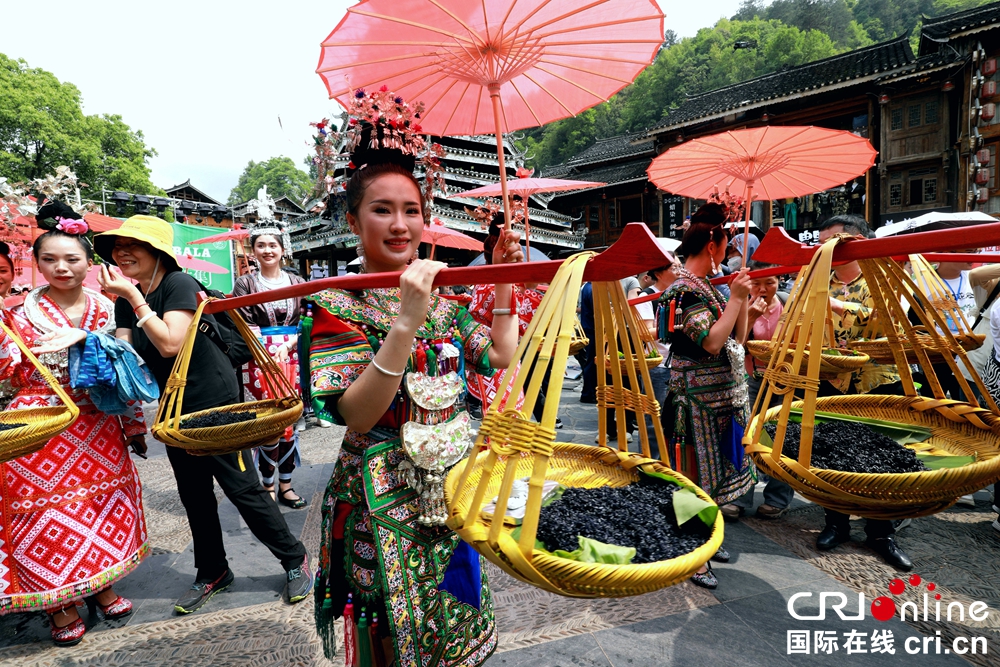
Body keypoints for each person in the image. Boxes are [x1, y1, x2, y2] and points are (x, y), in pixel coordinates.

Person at [307, 151, 522, 663]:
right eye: (382, 210)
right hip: (378, 499)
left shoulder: (445, 303)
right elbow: (356, 415)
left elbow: (497, 354)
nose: (401, 225)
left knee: (454, 604)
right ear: (353, 222)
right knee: (388, 626)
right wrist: (405, 323)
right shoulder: (336, 305)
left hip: (450, 486)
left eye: (412, 210)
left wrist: (503, 279)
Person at [93, 215, 312, 615]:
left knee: (241, 486)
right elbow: (128, 355)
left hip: (213, 397)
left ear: (157, 252)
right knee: (193, 493)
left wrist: (134, 299)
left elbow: (170, 344)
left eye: (132, 245)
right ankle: (213, 570)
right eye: (117, 247)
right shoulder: (128, 299)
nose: (122, 253)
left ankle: (294, 559)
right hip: (173, 405)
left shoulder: (179, 284)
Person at [0, 202, 148, 646]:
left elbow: (131, 369)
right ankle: (57, 602)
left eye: (72, 259)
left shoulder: (110, 309)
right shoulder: (14, 313)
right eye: (49, 259)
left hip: (98, 422)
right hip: (39, 424)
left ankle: (100, 584)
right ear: (36, 263)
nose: (61, 267)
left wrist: (134, 424)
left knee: (100, 509)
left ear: (89, 263)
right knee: (44, 516)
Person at [659, 202, 755, 589]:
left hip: (720, 398)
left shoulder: (707, 288)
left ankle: (708, 540)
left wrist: (742, 299)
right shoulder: (682, 290)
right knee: (694, 477)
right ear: (713, 242)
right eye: (727, 241)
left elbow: (739, 338)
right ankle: (695, 556)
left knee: (713, 478)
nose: (730, 249)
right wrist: (734, 298)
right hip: (694, 402)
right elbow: (714, 343)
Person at [814, 214, 913, 570]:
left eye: (836, 242)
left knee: (881, 460)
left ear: (860, 242)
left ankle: (881, 531)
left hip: (877, 381)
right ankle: (836, 523)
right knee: (831, 454)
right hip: (830, 379)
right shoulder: (817, 281)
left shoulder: (883, 277)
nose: (828, 250)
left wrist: (842, 307)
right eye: (822, 243)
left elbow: (892, 320)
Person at [233, 227, 308, 509]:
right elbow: (243, 322)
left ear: (282, 249)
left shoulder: (296, 280)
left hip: (291, 356)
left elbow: (306, 319)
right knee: (267, 422)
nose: (267, 250)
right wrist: (263, 350)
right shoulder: (245, 284)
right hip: (258, 357)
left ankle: (286, 484)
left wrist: (291, 345)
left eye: (272, 245)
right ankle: (266, 484)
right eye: (261, 245)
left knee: (290, 419)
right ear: (253, 251)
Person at [466, 219, 561, 427]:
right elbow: (524, 320)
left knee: (509, 421)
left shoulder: (490, 284)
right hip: (493, 359)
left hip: (509, 356)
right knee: (500, 426)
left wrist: (525, 282)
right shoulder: (490, 287)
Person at [733, 261, 794, 519]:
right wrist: (751, 317)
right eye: (756, 283)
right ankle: (739, 495)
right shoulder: (739, 306)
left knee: (784, 436)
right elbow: (735, 343)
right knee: (747, 435)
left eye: (769, 282)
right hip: (752, 378)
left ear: (778, 281)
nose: (763, 288)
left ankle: (778, 497)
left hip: (787, 380)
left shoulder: (790, 304)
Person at [633, 260, 678, 450]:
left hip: (678, 364)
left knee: (674, 419)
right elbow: (644, 332)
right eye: (674, 267)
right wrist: (675, 328)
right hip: (657, 366)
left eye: (680, 265)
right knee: (653, 418)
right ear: (659, 273)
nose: (680, 269)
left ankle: (669, 465)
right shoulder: (647, 296)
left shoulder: (679, 293)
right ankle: (650, 463)